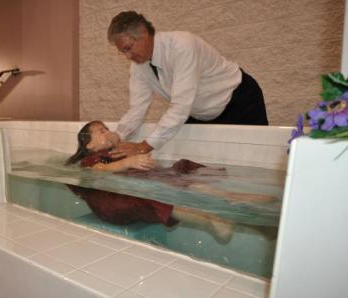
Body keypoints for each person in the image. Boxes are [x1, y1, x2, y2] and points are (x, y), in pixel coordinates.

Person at [65, 121, 274, 243]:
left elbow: (129, 165)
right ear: (89, 144)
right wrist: (128, 162)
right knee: (147, 194)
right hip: (112, 203)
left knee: (179, 172)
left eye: (106, 128)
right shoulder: (91, 159)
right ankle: (209, 219)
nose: (107, 132)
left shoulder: (116, 152)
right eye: (101, 131)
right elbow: (98, 172)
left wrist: (140, 162)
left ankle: (231, 198)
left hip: (131, 187)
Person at [104, 11, 268, 158]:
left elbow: (180, 106)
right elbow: (137, 109)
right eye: (122, 52)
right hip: (199, 112)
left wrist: (143, 147)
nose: (127, 56)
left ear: (143, 33)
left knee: (255, 159)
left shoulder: (182, 45)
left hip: (239, 100)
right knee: (190, 169)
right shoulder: (138, 66)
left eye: (128, 48)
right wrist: (117, 135)